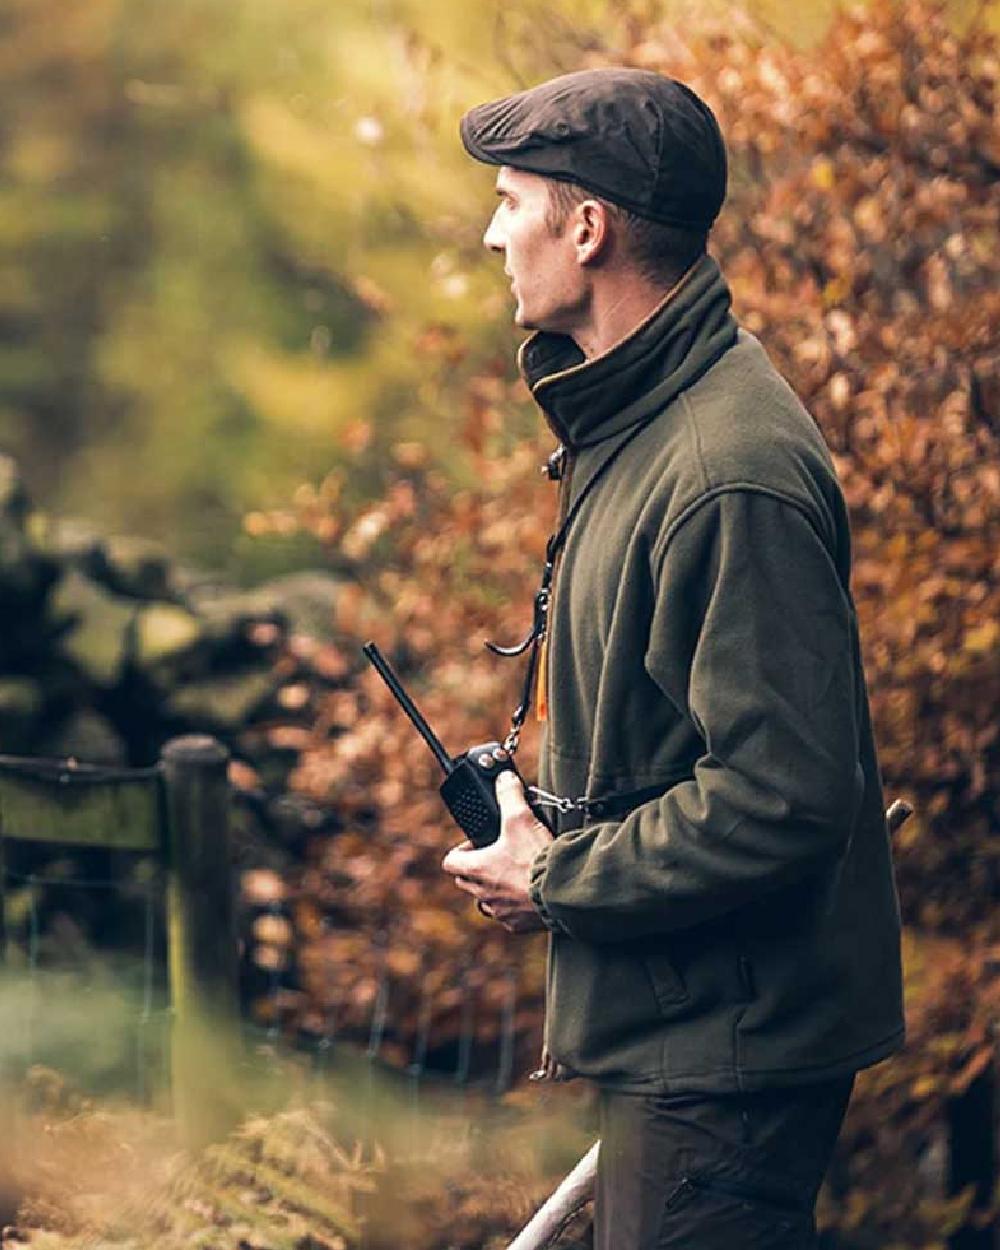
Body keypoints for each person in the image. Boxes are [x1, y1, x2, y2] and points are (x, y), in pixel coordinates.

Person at [440, 67, 904, 1248]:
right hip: (689, 1035)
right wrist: (551, 835)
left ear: (585, 227)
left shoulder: (719, 469)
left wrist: (557, 879)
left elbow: (781, 791)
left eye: (510, 200)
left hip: (723, 1066)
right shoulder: (641, 420)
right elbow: (683, 744)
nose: (493, 231)